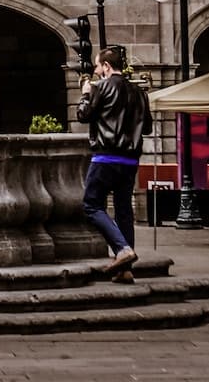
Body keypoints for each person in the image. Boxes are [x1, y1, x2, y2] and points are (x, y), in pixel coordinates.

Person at [77, 46, 152, 282]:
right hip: (130, 160)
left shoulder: (102, 86)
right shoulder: (140, 93)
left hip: (106, 157)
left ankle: (122, 250)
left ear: (107, 66)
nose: (97, 71)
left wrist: (86, 93)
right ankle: (125, 270)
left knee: (91, 205)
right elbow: (147, 127)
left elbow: (83, 115)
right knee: (123, 210)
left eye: (98, 66)